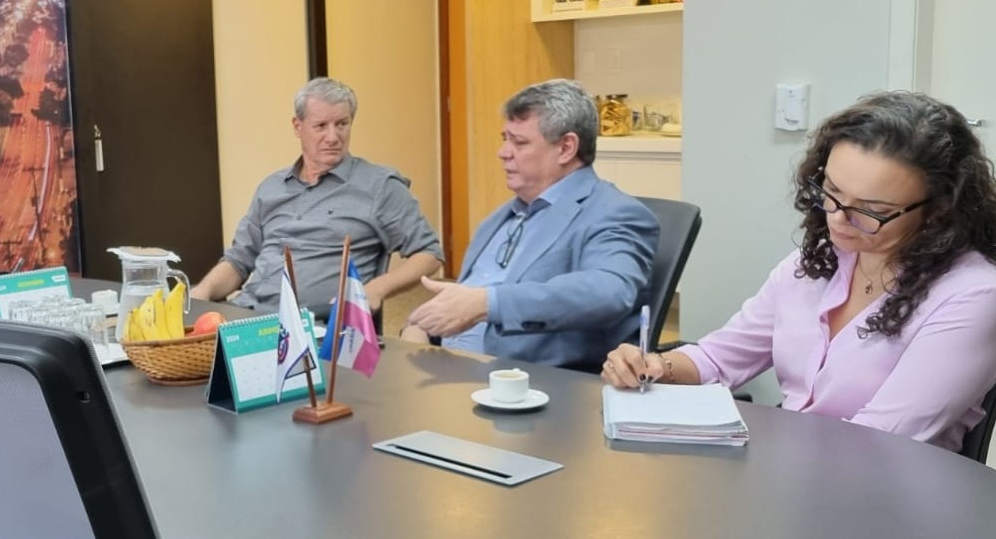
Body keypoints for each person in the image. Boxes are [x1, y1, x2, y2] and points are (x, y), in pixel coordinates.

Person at [603, 91, 996, 451]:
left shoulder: (974, 294)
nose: (838, 219)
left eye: (870, 211)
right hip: (794, 477)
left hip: (888, 500)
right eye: (830, 192)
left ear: (940, 208)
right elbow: (719, 359)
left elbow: (884, 440)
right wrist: (656, 366)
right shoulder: (817, 263)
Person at [402, 79, 659, 371]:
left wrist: (488, 303)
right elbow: (464, 297)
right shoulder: (502, 216)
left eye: (519, 142)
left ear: (566, 148)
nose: (503, 152)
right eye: (504, 138)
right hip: (445, 367)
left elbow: (608, 291)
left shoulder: (614, 213)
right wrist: (418, 327)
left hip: (522, 387)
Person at [190, 77, 443, 324]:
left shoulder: (380, 186)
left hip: (314, 328)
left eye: (342, 124)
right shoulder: (271, 188)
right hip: (249, 316)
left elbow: (430, 254)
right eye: (321, 126)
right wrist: (201, 294)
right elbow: (238, 260)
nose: (333, 137)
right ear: (297, 127)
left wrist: (375, 289)